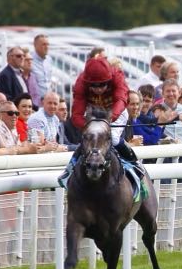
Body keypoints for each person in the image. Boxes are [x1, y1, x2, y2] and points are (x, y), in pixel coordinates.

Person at [59, 56, 139, 187]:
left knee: (112, 138)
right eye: (94, 86)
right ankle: (70, 169)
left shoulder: (117, 76)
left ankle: (135, 165)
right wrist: (87, 128)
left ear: (109, 79)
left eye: (102, 84)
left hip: (116, 111)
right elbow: (77, 114)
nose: (98, 89)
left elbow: (120, 100)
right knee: (90, 137)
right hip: (94, 112)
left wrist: (108, 121)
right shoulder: (81, 83)